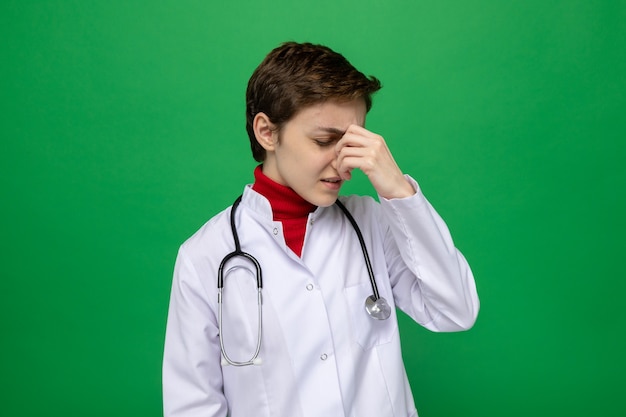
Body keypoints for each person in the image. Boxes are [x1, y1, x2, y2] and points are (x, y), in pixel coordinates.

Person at [162, 41, 479, 417]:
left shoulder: (373, 223)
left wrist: (398, 190)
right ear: (267, 132)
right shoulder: (205, 256)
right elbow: (193, 406)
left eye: (353, 143)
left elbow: (456, 309)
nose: (345, 164)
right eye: (325, 141)